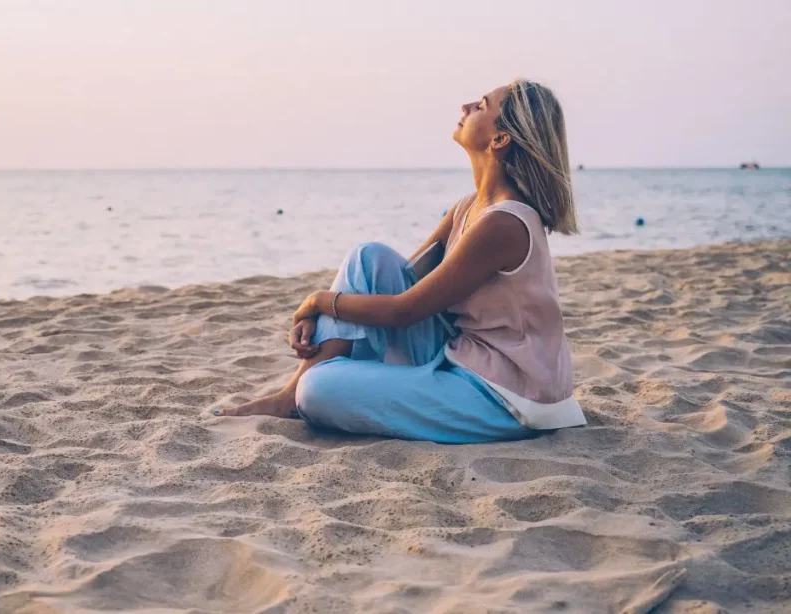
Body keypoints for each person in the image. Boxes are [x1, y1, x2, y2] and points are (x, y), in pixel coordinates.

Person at [212, 78, 587, 444]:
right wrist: (327, 314)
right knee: (367, 258)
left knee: (318, 390)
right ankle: (288, 396)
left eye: (482, 105)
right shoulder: (467, 208)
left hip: (508, 395)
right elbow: (397, 281)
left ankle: (303, 392)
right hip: (463, 355)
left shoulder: (504, 222)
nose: (466, 107)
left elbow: (403, 311)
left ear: (500, 139)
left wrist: (317, 302)